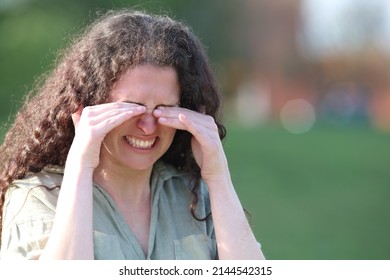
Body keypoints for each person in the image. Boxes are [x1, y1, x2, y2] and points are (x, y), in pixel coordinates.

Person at [0, 9, 265, 260]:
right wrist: (81, 164)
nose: (148, 127)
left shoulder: (196, 195)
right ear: (88, 108)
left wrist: (218, 177)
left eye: (165, 109)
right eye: (131, 107)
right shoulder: (37, 196)